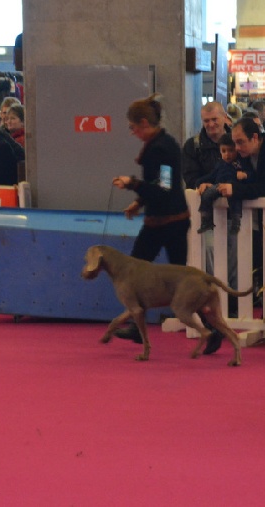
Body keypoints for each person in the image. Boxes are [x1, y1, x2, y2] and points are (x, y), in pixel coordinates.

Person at [112, 94, 190, 341]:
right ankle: (138, 327)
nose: (132, 133)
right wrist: (139, 202)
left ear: (144, 123)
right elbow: (160, 185)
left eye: (133, 128)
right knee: (180, 279)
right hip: (172, 220)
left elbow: (161, 189)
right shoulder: (164, 143)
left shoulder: (159, 149)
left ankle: (138, 326)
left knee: (135, 272)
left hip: (165, 223)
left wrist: (132, 183)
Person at [196, 133, 252, 234]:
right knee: (207, 194)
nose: (227, 154)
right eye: (224, 151)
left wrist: (245, 174)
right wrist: (200, 182)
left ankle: (236, 221)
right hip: (219, 186)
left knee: (235, 197)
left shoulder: (241, 162)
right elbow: (212, 176)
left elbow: (251, 173)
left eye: (231, 150)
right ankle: (206, 219)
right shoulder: (220, 164)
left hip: (233, 187)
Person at [181, 101, 230, 190]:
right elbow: (190, 178)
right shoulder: (192, 146)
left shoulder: (237, 142)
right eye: (206, 121)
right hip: (203, 198)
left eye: (214, 119)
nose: (211, 124)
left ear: (225, 117)